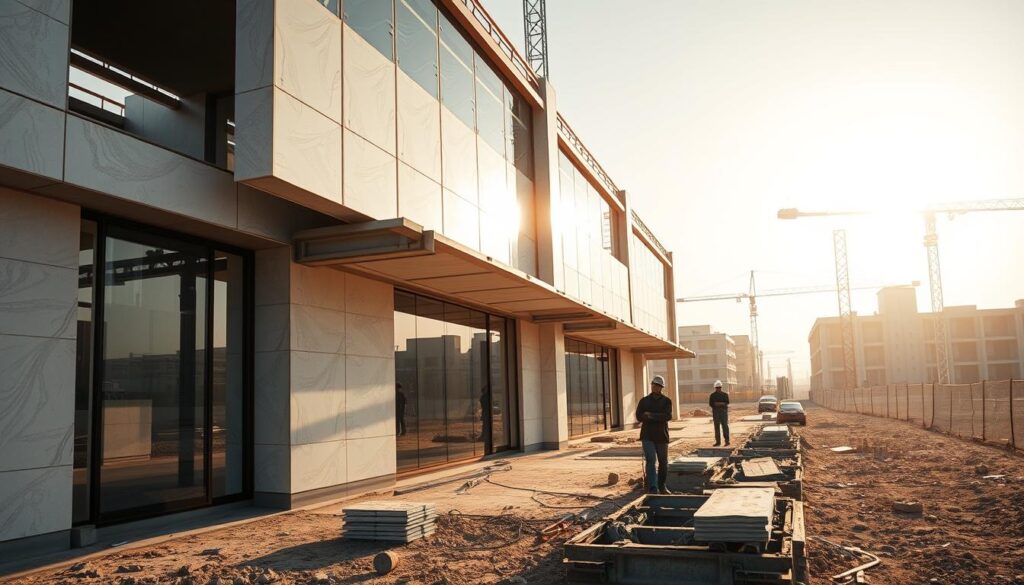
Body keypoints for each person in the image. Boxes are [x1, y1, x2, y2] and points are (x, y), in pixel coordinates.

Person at [635, 375, 673, 494]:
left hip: (661, 435)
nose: (655, 387)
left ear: (661, 387)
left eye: (658, 385)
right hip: (647, 435)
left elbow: (667, 416)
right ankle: (652, 487)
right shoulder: (644, 401)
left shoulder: (666, 401)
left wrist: (650, 415)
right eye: (654, 385)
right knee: (651, 460)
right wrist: (655, 416)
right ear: (651, 385)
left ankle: (662, 486)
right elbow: (639, 416)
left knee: (663, 462)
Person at [709, 380, 730, 446]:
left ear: (721, 387)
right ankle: (718, 442)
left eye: (719, 387)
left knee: (725, 426)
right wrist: (721, 404)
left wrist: (718, 404)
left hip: (723, 412)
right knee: (717, 427)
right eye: (717, 388)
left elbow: (727, 402)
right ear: (715, 388)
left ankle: (727, 441)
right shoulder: (712, 395)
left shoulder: (725, 395)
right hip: (716, 413)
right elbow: (711, 404)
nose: (718, 389)